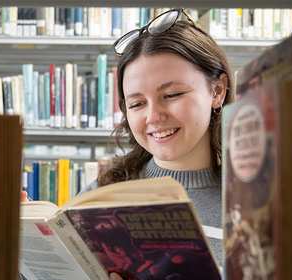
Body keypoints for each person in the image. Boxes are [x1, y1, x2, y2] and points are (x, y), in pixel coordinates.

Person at [80, 8, 235, 280]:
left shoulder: (255, 204)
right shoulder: (99, 198)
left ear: (217, 91)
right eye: (137, 103)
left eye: (172, 94)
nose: (153, 116)